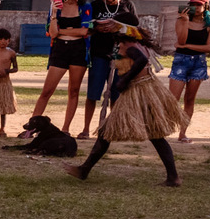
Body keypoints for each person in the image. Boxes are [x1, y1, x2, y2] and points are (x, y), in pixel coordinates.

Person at [64, 26, 186, 187]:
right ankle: (173, 177)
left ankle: (84, 170)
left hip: (139, 91)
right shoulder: (131, 43)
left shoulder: (130, 46)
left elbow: (141, 60)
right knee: (152, 136)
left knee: (108, 132)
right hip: (144, 89)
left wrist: (125, 79)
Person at [81, 0, 138, 139]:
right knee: (93, 93)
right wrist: (97, 27)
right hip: (99, 54)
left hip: (121, 56)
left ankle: (114, 128)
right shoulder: (96, 5)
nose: (110, 0)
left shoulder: (128, 6)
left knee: (117, 95)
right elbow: (86, 26)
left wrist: (119, 27)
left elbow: (136, 29)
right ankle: (86, 129)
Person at [32, 0, 91, 132]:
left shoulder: (85, 7)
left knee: (73, 91)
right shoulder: (57, 7)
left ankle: (65, 128)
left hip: (78, 50)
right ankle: (31, 127)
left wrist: (62, 31)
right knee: (47, 91)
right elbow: (52, 33)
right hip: (60, 50)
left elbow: (85, 31)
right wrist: (53, 13)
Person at [170, 0, 210, 143]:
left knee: (189, 99)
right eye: (192, 4)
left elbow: (209, 48)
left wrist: (188, 45)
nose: (195, 7)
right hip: (181, 61)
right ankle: (163, 128)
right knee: (172, 99)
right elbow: (181, 41)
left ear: (205, 6)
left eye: (198, 5)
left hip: (198, 63)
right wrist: (185, 21)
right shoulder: (181, 20)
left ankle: (182, 133)